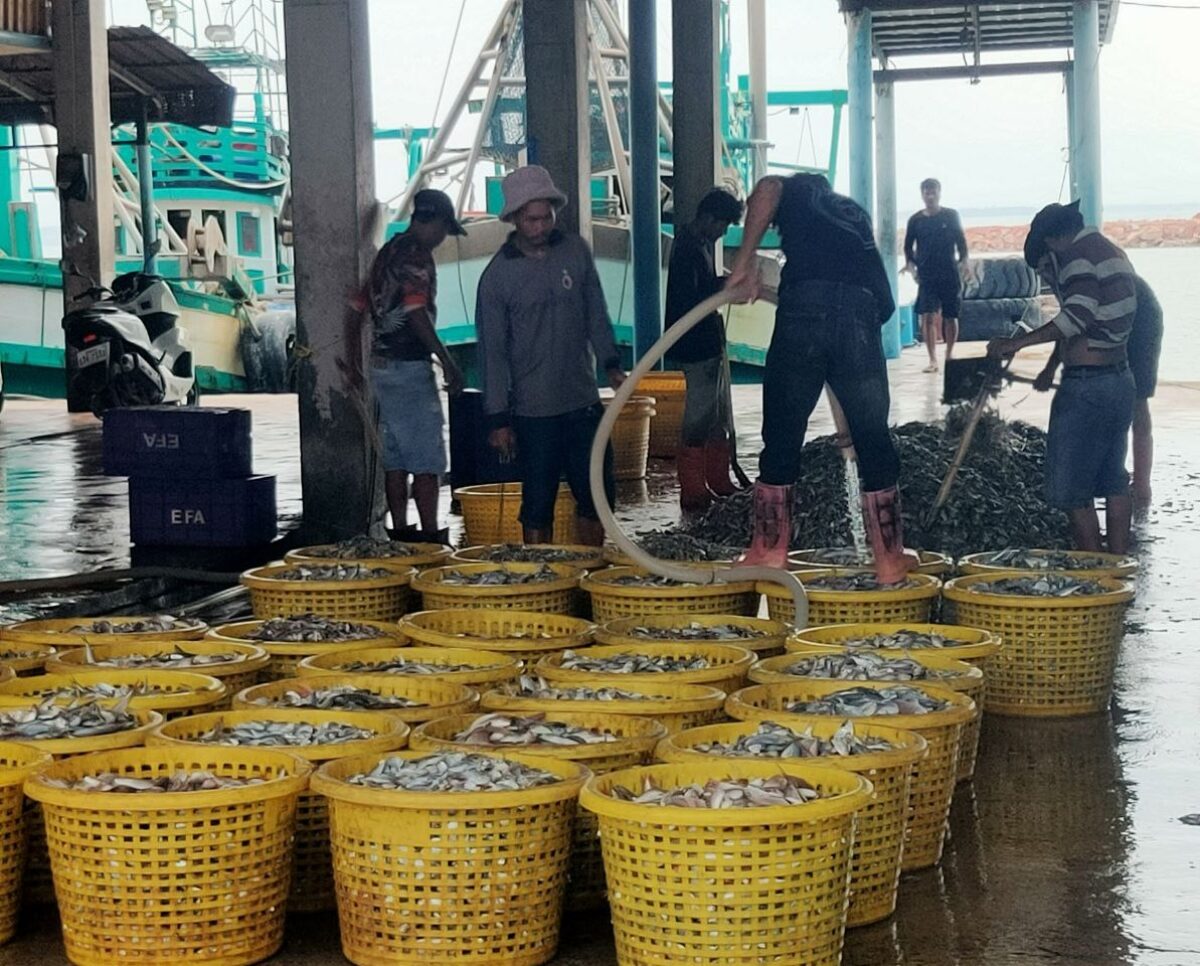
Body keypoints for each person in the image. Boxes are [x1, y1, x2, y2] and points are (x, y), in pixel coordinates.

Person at [725, 173, 919, 582]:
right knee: (874, 437)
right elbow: (847, 318)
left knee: (781, 434)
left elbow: (769, 189)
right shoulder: (849, 216)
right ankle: (889, 558)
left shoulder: (798, 191)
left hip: (806, 310)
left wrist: (743, 265)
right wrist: (848, 425)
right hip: (862, 317)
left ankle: (769, 552)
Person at [475, 165, 626, 547]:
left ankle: (590, 566)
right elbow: (492, 353)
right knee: (537, 500)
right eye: (531, 219)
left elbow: (595, 312)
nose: (541, 226)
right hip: (533, 411)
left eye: (547, 217)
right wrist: (498, 419)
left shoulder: (575, 252)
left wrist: (610, 363)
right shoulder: (496, 278)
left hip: (582, 400)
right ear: (513, 219)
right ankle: (540, 570)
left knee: (597, 493)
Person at [988, 200, 1137, 554]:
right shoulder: (1109, 249)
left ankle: (1095, 577)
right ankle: (1118, 568)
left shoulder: (1077, 256)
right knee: (1114, 480)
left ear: (1052, 241)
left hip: (1088, 386)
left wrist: (1017, 343)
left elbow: (1076, 318)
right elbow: (1084, 317)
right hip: (1119, 380)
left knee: (1072, 491)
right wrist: (1052, 366)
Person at [360, 188, 466, 542]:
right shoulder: (418, 257)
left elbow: (356, 305)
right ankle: (431, 537)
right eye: (443, 229)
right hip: (408, 368)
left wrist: (354, 362)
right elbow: (416, 312)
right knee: (427, 459)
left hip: (380, 366)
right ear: (432, 222)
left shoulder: (388, 251)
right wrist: (447, 360)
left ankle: (401, 534)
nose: (442, 238)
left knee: (396, 457)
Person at [1034, 272, 1162, 513]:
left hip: (1141, 314)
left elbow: (1071, 324)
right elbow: (1068, 326)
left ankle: (1142, 485)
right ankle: (1113, 476)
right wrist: (1050, 369)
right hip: (1107, 316)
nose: (1044, 274)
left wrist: (1050, 368)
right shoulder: (1064, 271)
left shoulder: (1074, 269)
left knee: (1137, 399)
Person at [664, 187, 746, 513]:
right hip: (695, 345)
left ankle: (718, 478)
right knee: (698, 417)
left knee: (716, 416)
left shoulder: (698, 245)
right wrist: (725, 285)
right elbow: (691, 299)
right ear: (709, 218)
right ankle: (693, 488)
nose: (723, 233)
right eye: (723, 226)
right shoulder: (688, 249)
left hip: (707, 341)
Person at [903, 178, 969, 373]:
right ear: (921, 194)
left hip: (949, 273)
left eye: (933, 192)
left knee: (951, 316)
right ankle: (932, 360)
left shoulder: (951, 215)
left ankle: (949, 354)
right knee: (928, 317)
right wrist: (912, 268)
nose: (929, 195)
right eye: (926, 192)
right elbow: (908, 248)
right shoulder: (916, 220)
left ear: (939, 193)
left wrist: (965, 263)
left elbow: (962, 244)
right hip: (927, 276)